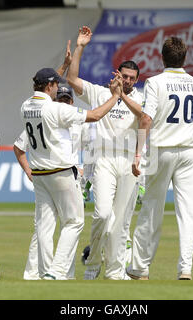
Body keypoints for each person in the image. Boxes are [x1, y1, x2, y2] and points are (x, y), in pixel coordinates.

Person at [20, 66, 122, 280]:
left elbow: (43, 90)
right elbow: (94, 115)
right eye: (55, 85)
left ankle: (44, 272)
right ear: (49, 86)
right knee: (74, 222)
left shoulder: (26, 105)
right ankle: (57, 271)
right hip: (61, 172)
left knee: (44, 226)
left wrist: (63, 66)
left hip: (39, 174)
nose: (58, 89)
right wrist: (114, 97)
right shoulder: (57, 110)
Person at [67, 26, 143, 280]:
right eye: (124, 76)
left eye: (132, 77)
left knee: (120, 222)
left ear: (137, 79)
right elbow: (72, 80)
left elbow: (144, 118)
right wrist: (80, 47)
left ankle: (114, 270)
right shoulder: (100, 93)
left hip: (129, 162)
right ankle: (93, 262)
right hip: (104, 160)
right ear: (117, 74)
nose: (128, 80)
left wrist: (122, 95)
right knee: (102, 214)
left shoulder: (141, 99)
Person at [128, 36, 193, 281]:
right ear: (185, 58)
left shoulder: (155, 82)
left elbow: (146, 118)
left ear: (162, 58)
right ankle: (185, 268)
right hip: (189, 151)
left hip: (161, 149)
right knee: (190, 212)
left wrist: (138, 152)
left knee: (152, 208)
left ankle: (140, 268)